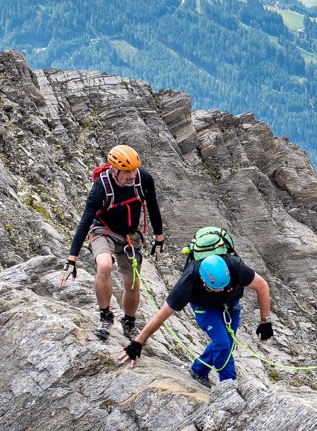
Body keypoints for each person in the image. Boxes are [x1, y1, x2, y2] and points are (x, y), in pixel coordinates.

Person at [122, 247, 273, 386]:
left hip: (230, 303)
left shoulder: (235, 266)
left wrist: (265, 321)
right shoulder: (188, 281)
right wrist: (138, 342)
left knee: (229, 343)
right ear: (203, 280)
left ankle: (199, 369)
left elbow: (262, 286)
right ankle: (229, 385)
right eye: (216, 288)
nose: (221, 290)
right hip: (204, 306)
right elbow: (162, 314)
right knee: (223, 344)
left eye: (224, 286)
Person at [60, 145, 166, 341]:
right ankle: (105, 316)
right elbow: (84, 223)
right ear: (113, 169)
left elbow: (153, 208)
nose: (132, 175)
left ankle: (129, 322)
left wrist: (159, 240)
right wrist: (71, 260)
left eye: (134, 169)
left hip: (129, 236)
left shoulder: (143, 180)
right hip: (103, 230)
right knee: (104, 264)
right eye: (126, 171)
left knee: (131, 283)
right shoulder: (101, 187)